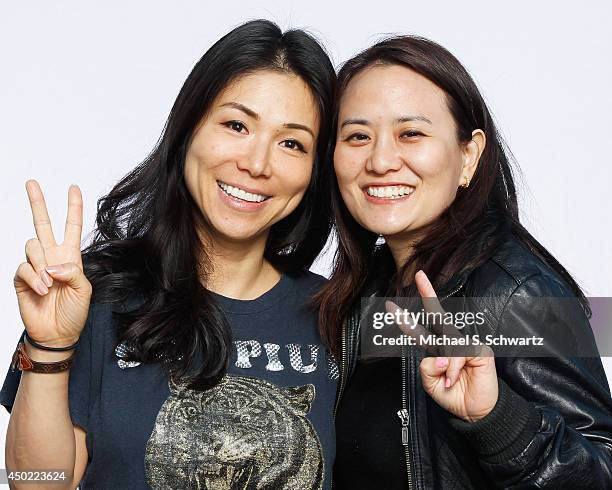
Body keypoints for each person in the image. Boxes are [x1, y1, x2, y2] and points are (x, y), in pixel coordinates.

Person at [1, 19, 338, 489]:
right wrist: (50, 344)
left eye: (291, 143)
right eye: (237, 125)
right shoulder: (97, 296)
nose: (257, 164)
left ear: (315, 170)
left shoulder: (338, 316)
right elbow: (35, 483)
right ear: (189, 131)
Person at [316, 35, 612, 488]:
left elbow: (602, 469)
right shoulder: (363, 292)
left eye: (410, 133)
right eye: (357, 136)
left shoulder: (515, 292)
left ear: (469, 155)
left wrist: (497, 419)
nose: (379, 160)